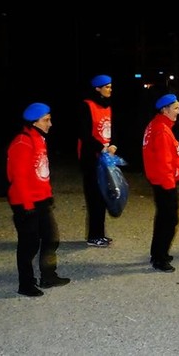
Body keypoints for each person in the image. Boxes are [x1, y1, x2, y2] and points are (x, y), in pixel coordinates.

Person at [7, 103, 70, 297]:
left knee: (51, 238)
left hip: (40, 200)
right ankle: (25, 284)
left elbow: (40, 172)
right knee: (29, 245)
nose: (50, 124)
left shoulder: (39, 139)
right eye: (46, 120)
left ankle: (48, 276)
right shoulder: (22, 142)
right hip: (26, 203)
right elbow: (18, 177)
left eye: (49, 119)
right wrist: (27, 206)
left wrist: (47, 195)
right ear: (34, 122)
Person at [142, 93, 179, 273]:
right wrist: (169, 185)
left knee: (163, 218)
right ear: (165, 110)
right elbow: (164, 161)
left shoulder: (158, 125)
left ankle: (158, 253)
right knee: (169, 219)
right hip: (165, 182)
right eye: (175, 108)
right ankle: (159, 258)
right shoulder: (161, 130)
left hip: (161, 181)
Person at [77, 74, 117, 247]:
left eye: (110, 86)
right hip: (91, 159)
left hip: (105, 158)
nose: (110, 89)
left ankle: (99, 233)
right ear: (97, 89)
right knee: (95, 197)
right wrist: (101, 147)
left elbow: (110, 130)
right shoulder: (87, 106)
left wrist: (113, 145)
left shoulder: (108, 106)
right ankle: (94, 236)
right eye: (107, 86)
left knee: (103, 196)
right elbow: (84, 134)